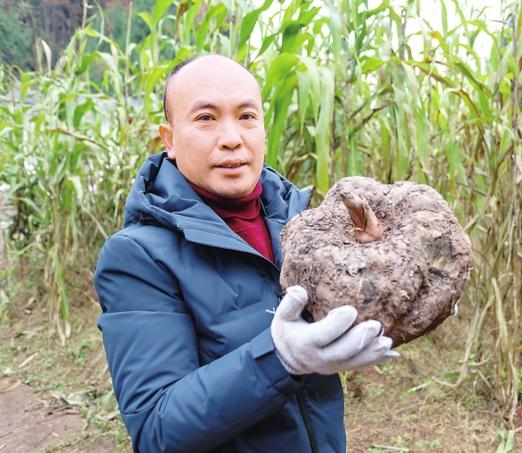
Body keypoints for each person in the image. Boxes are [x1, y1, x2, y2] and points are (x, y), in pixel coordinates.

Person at [94, 54, 398, 453]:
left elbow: (343, 320)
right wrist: (281, 358)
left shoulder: (302, 224)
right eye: (205, 118)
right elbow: (157, 428)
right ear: (169, 139)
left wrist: (398, 277)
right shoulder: (137, 258)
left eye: (247, 116)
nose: (231, 137)